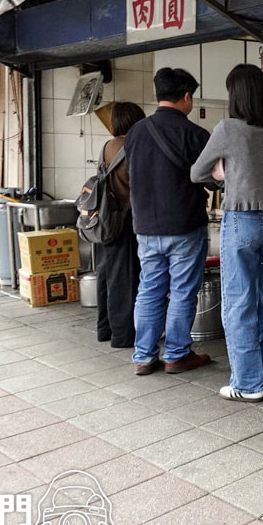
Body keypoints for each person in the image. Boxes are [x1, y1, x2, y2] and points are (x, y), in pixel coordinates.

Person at [191, 64, 263, 402]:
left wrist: (223, 175)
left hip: (241, 220)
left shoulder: (227, 129)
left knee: (239, 303)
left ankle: (247, 384)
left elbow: (196, 173)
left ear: (235, 95)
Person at [126, 67, 214, 376]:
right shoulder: (195, 134)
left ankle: (143, 356)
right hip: (185, 225)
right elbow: (213, 179)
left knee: (149, 290)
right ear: (187, 96)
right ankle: (177, 354)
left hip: (146, 226)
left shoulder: (135, 132)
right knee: (182, 291)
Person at [95, 101, 145, 348]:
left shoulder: (107, 146)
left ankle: (105, 328)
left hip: (106, 217)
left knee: (107, 274)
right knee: (125, 278)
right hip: (127, 218)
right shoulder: (133, 146)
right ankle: (123, 335)